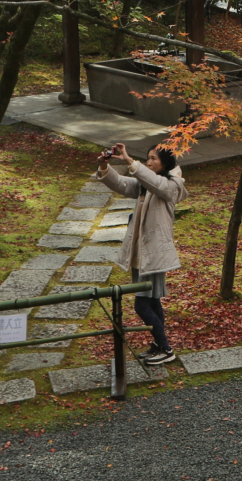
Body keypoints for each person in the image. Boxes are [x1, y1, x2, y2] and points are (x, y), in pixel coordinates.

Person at [97, 141, 186, 365]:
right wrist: (104, 168)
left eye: (154, 158)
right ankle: (159, 345)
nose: (149, 161)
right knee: (153, 301)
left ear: (165, 162)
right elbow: (123, 184)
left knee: (141, 304)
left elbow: (156, 183)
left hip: (153, 254)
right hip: (141, 252)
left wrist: (129, 160)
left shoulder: (171, 186)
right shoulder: (145, 185)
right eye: (148, 157)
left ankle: (166, 349)